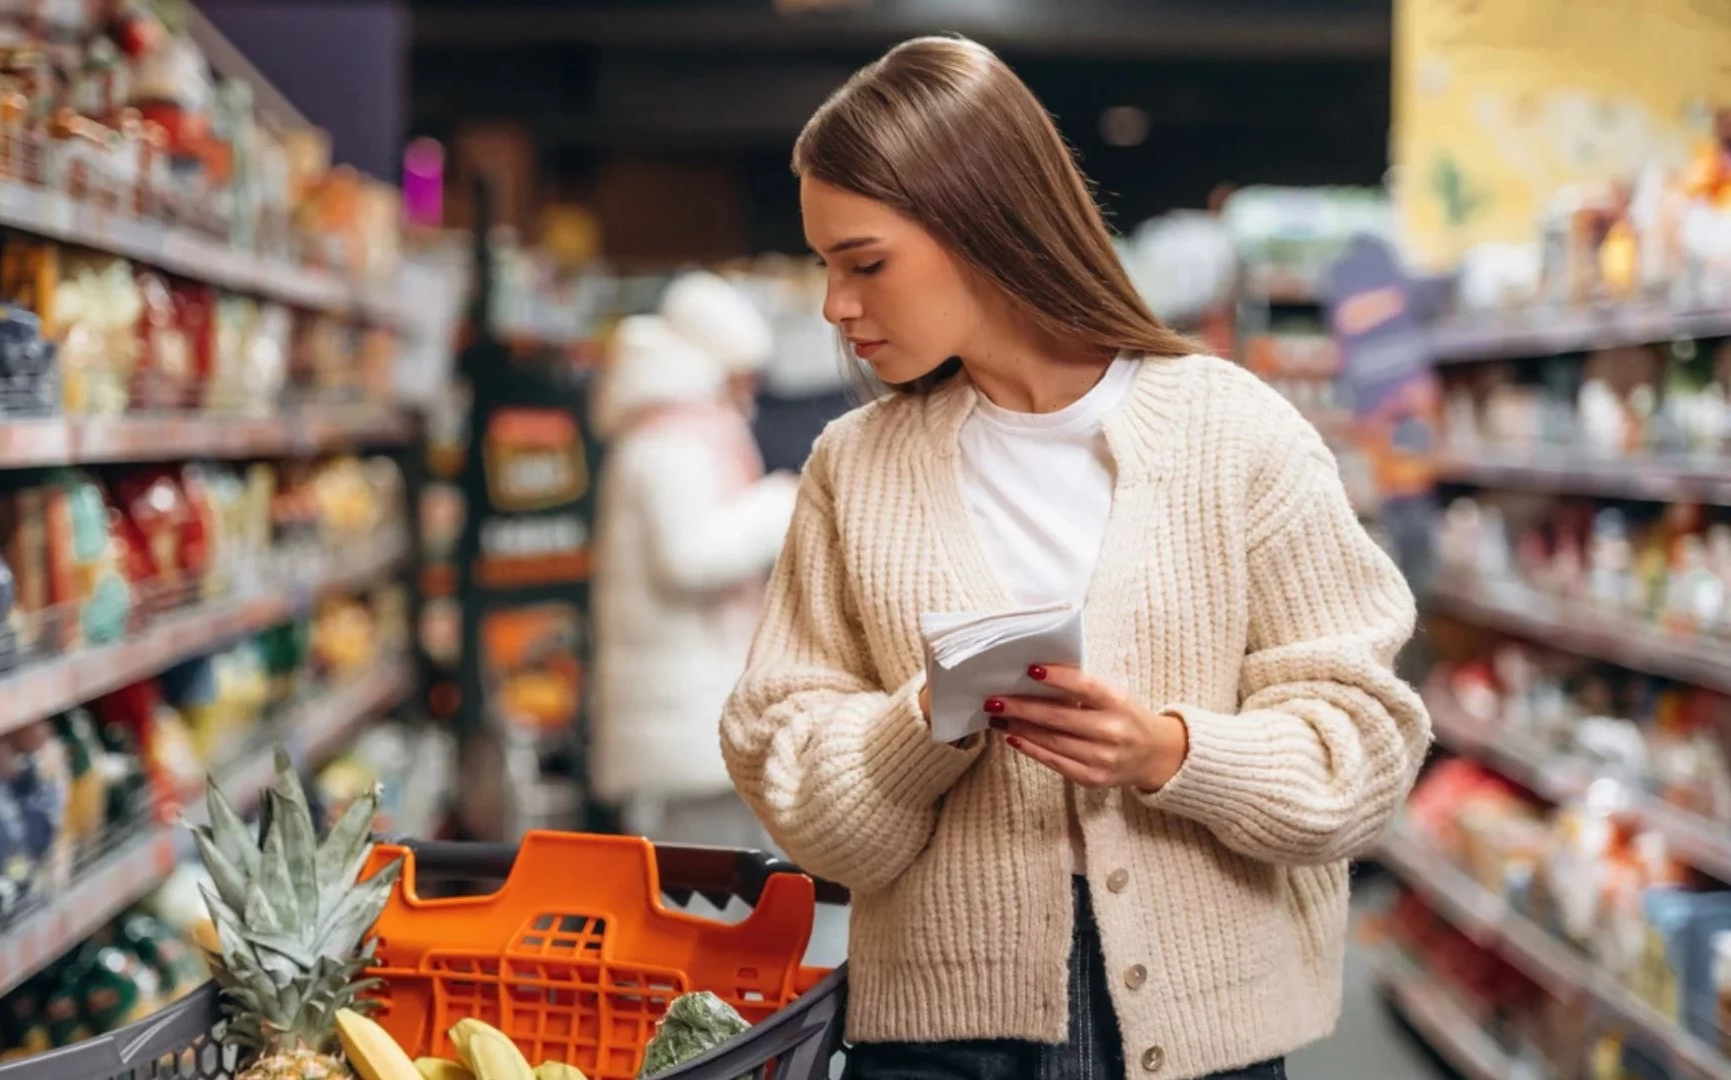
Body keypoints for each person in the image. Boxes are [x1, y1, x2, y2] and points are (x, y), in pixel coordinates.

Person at [720, 36, 1431, 1080]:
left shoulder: (1237, 434)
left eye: (863, 263)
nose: (836, 305)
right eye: (828, 266)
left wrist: (1170, 754)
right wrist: (921, 725)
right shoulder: (852, 472)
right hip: (937, 1048)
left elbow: (1364, 743)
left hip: (1209, 1040)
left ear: (982, 223)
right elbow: (794, 778)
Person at [589, 270, 800, 848]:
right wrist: (781, 501)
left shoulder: (668, 431)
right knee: (715, 896)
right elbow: (688, 558)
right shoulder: (674, 442)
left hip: (684, 706)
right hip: (686, 718)